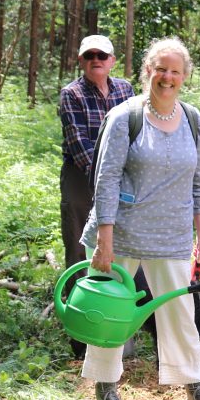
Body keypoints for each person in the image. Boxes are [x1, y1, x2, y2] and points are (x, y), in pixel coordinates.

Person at [80, 37, 200, 400]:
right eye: (160, 68)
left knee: (181, 312)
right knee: (110, 315)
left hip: (173, 235)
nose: (167, 77)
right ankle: (106, 394)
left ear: (184, 77)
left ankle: (196, 389)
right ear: (147, 71)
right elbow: (106, 179)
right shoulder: (125, 117)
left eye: (175, 71)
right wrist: (104, 241)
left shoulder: (193, 119)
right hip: (123, 233)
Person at [58, 35, 134, 357]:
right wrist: (108, 181)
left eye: (101, 55)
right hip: (81, 178)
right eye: (89, 55)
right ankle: (81, 335)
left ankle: (117, 325)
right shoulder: (71, 95)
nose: (96, 60)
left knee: (120, 251)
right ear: (81, 61)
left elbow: (135, 134)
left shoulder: (125, 91)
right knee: (80, 250)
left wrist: (126, 179)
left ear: (112, 60)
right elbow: (79, 146)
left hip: (120, 182)